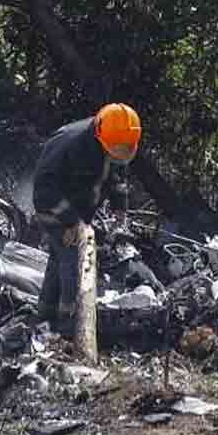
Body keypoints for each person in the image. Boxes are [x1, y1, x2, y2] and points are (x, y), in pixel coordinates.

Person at [31, 103, 140, 333]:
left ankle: (43, 315)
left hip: (80, 213)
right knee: (74, 260)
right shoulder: (70, 144)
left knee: (58, 259)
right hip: (53, 207)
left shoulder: (113, 142)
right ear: (101, 136)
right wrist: (71, 222)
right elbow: (44, 189)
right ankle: (67, 326)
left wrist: (120, 207)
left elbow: (117, 174)